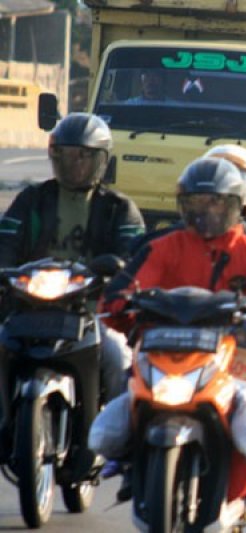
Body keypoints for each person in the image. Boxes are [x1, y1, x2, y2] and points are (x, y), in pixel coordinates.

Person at [101, 157, 246, 514]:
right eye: (195, 204)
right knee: (125, 380)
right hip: (166, 347)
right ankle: (127, 461)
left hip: (235, 348)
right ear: (183, 207)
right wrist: (119, 304)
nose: (205, 213)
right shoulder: (162, 246)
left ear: (236, 206)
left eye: (216, 203)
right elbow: (127, 285)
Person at [0, 112, 145, 462]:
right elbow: (5, 241)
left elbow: (134, 256)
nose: (73, 164)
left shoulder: (119, 208)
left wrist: (118, 269)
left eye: (83, 156)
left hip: (91, 309)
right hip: (28, 305)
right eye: (64, 155)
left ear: (101, 161)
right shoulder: (31, 199)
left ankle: (117, 439)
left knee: (116, 357)